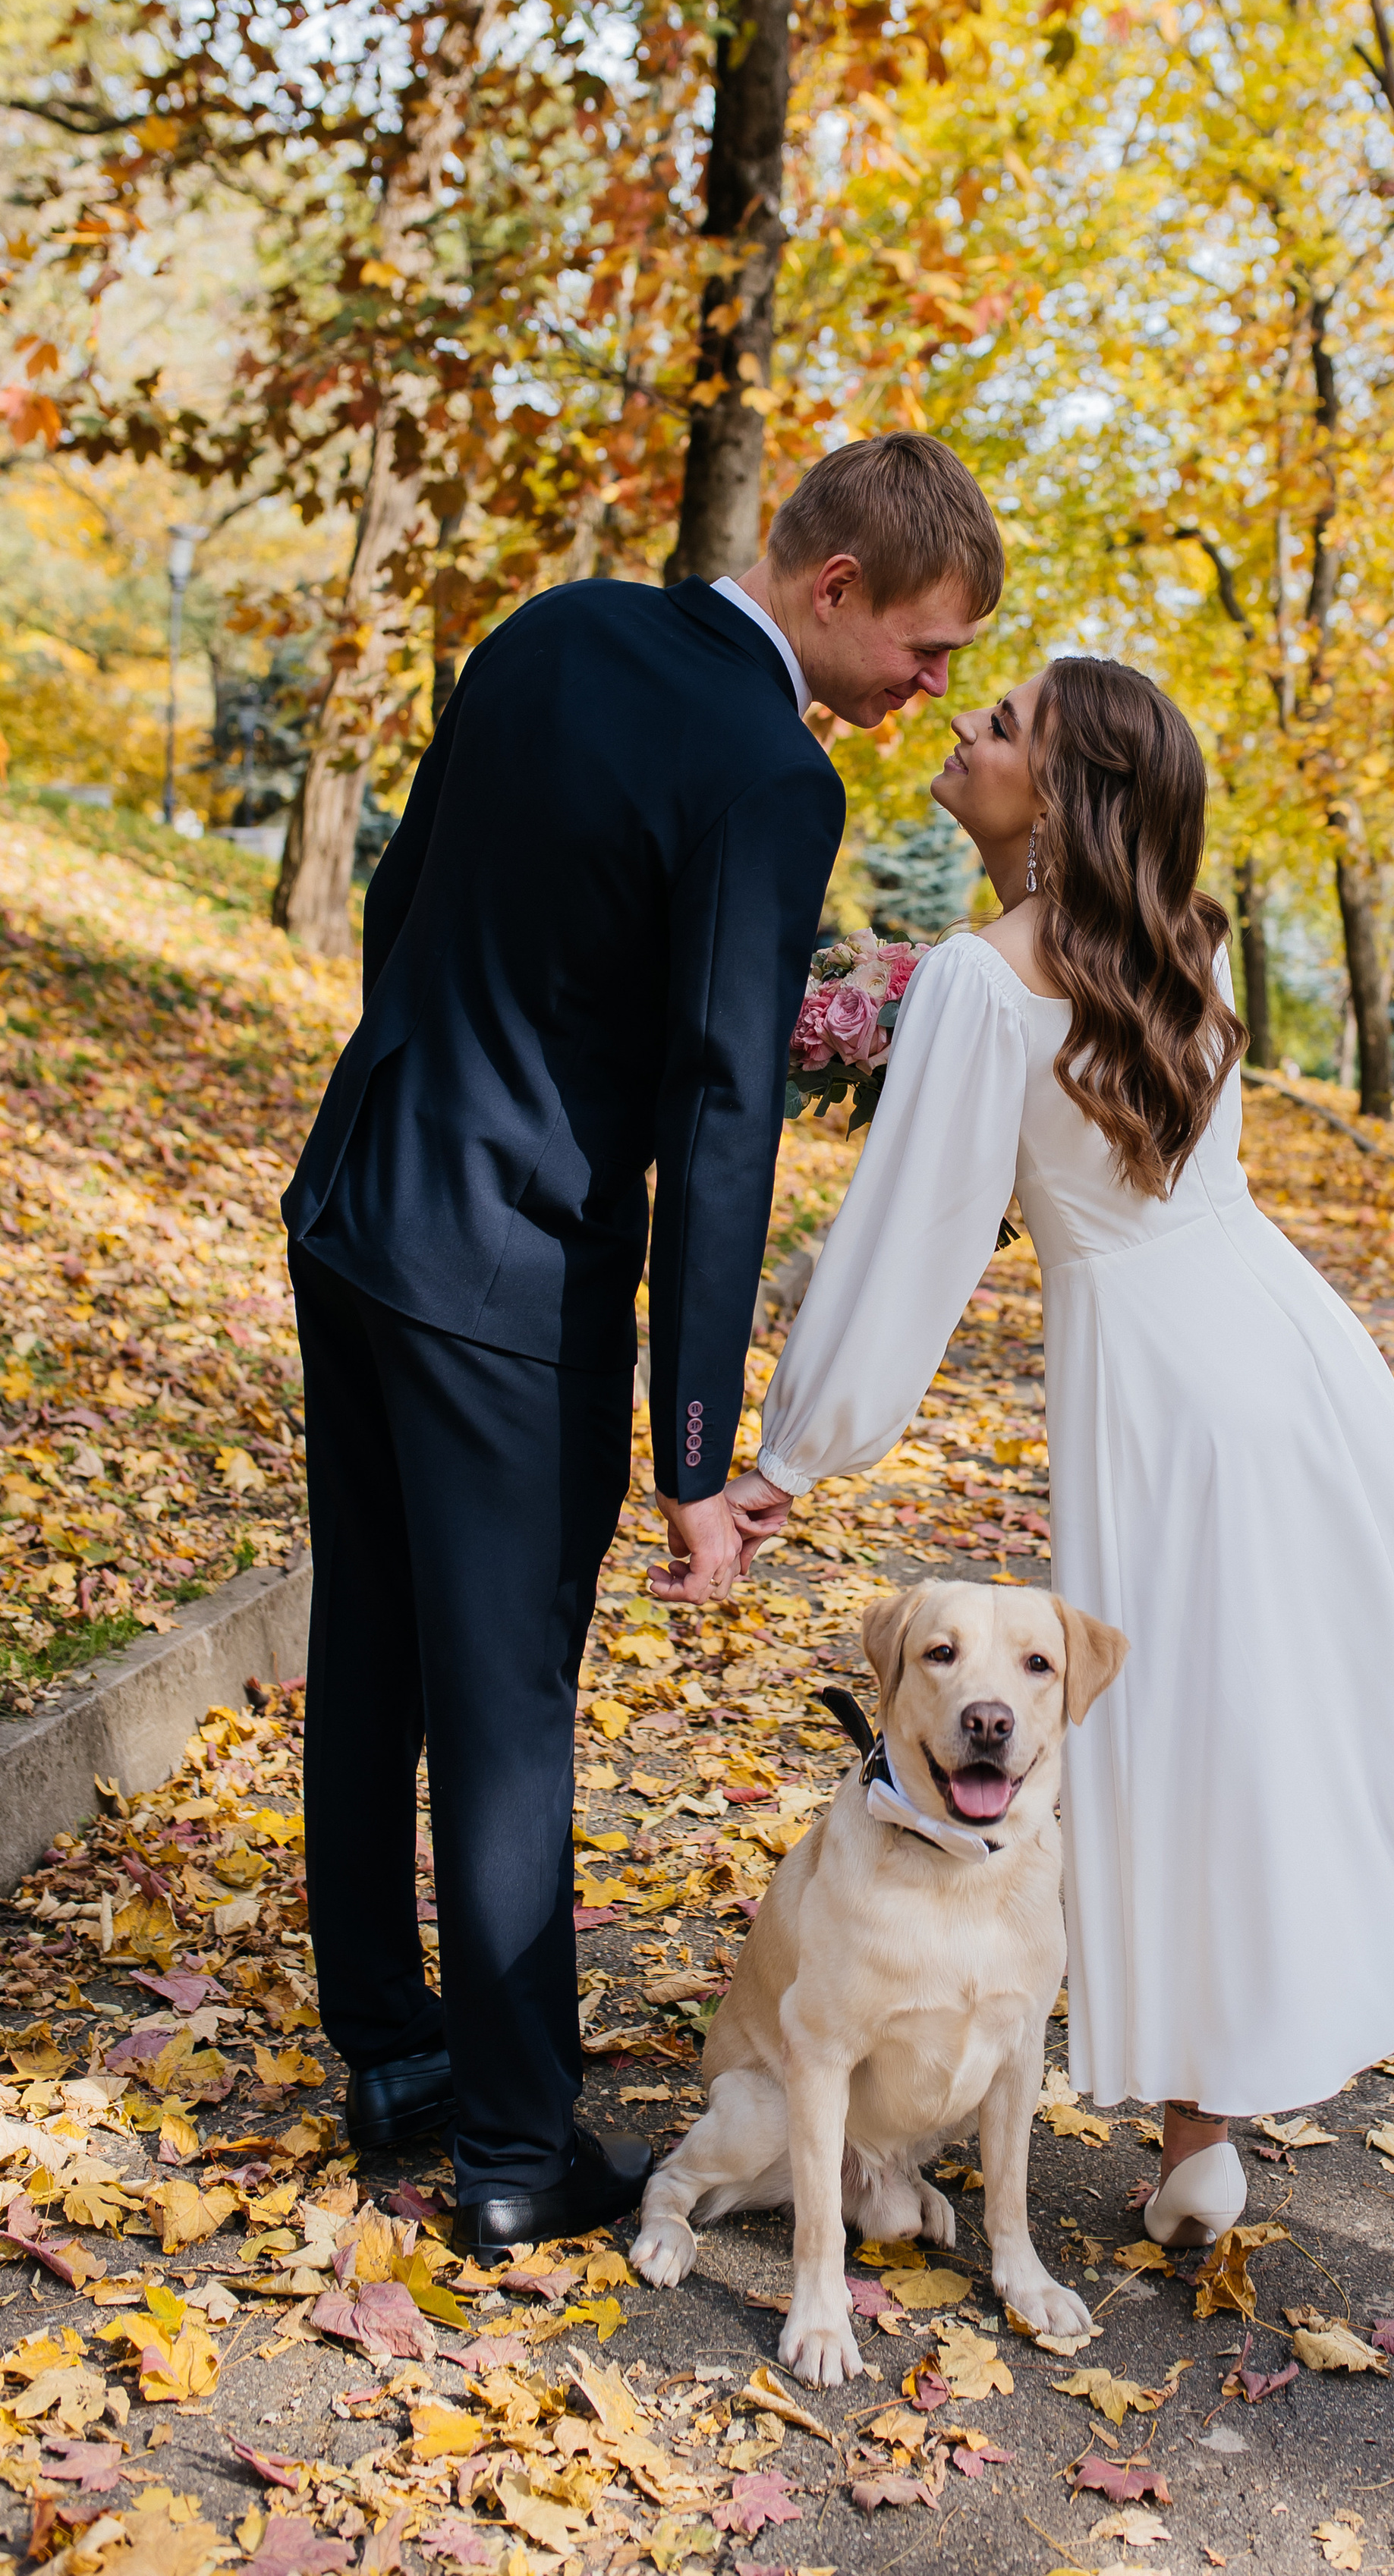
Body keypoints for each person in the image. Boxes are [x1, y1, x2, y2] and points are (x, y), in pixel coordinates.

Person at [731, 657, 1394, 2252]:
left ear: (1063, 800)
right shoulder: (1178, 958)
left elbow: (915, 1240)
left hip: (1157, 1392)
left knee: (1172, 1745)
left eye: (1005, 726)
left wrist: (797, 1448)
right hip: (1290, 1341)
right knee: (1320, 1705)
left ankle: (1212, 2122)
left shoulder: (984, 980)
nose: (966, 727)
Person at [282, 434, 1004, 2254]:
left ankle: (394, 2053)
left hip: (361, 1199)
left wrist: (423, 1101)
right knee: (507, 1709)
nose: (931, 687)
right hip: (505, 1279)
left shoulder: (554, 628)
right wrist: (696, 1452)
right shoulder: (769, 771)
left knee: (371, 1649)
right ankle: (517, 2150)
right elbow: (720, 1114)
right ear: (832, 587)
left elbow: (401, 898)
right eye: (922, 647)